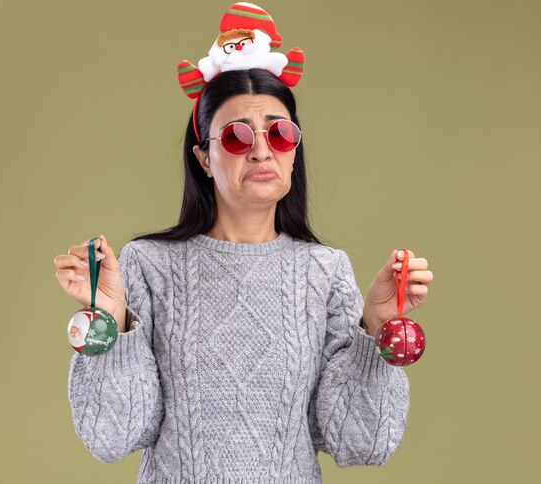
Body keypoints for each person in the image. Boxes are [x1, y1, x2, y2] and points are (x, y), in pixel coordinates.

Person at [54, 3, 433, 482]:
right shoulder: (148, 264)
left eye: (279, 132)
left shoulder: (326, 271)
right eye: (234, 136)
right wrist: (109, 321)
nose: (260, 148)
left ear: (295, 149)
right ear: (205, 158)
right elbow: (114, 436)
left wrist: (376, 325)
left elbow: (359, 444)